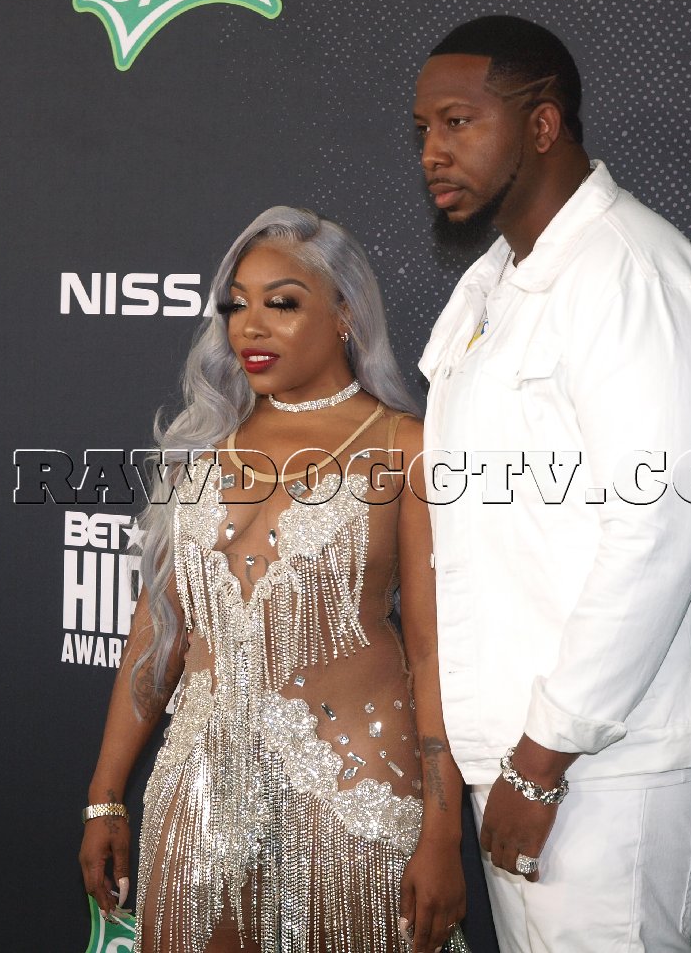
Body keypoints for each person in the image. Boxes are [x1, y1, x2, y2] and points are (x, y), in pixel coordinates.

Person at [411, 16, 691, 951]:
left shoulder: (629, 274)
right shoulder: (497, 279)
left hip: (608, 758)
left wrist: (541, 761)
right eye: (423, 130)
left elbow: (658, 534)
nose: (433, 151)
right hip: (531, 747)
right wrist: (515, 759)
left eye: (457, 122)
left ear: (541, 125)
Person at [79, 207, 468, 953]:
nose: (249, 327)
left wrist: (442, 833)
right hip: (197, 794)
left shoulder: (406, 448)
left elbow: (433, 654)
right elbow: (156, 635)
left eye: (281, 303)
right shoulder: (202, 446)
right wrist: (105, 797)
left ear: (345, 314)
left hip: (351, 794)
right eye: (236, 305)